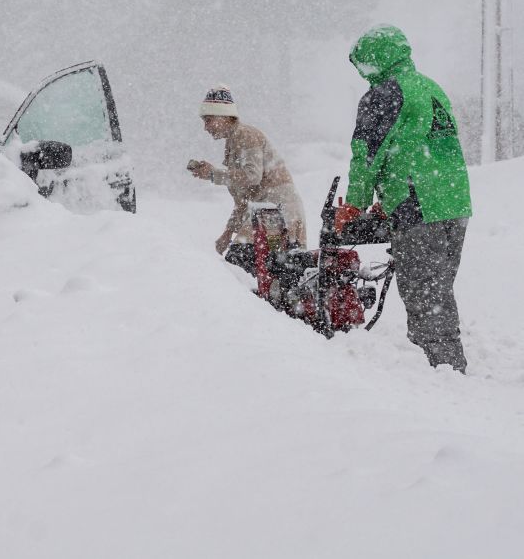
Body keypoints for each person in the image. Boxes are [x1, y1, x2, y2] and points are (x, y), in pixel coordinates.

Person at [335, 25, 471, 372]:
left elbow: (366, 154)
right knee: (438, 291)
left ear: (376, 58)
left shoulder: (385, 93)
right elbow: (422, 145)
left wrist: (354, 205)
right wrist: (391, 195)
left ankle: (443, 374)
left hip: (418, 202)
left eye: (364, 64)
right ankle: (446, 364)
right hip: (453, 201)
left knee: (425, 295)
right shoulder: (430, 87)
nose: (363, 73)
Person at [188, 85, 308, 265]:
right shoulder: (233, 141)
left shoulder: (245, 135)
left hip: (278, 210)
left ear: (224, 116)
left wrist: (214, 174)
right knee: (270, 274)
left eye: (209, 120)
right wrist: (228, 232)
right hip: (267, 213)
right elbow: (245, 198)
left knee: (242, 263)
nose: (205, 128)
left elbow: (252, 176)